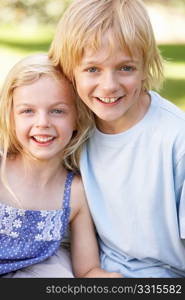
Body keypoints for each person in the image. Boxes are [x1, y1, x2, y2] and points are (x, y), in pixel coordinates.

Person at [49, 0, 185, 278]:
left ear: (146, 66)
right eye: (92, 69)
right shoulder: (74, 129)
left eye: (125, 68)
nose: (109, 85)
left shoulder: (175, 139)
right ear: (69, 71)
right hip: (93, 270)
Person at [0, 53, 122, 278]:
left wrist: (110, 279)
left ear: (77, 117)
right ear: (11, 116)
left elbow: (86, 270)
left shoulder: (74, 192)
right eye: (27, 111)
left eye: (57, 111)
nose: (43, 123)